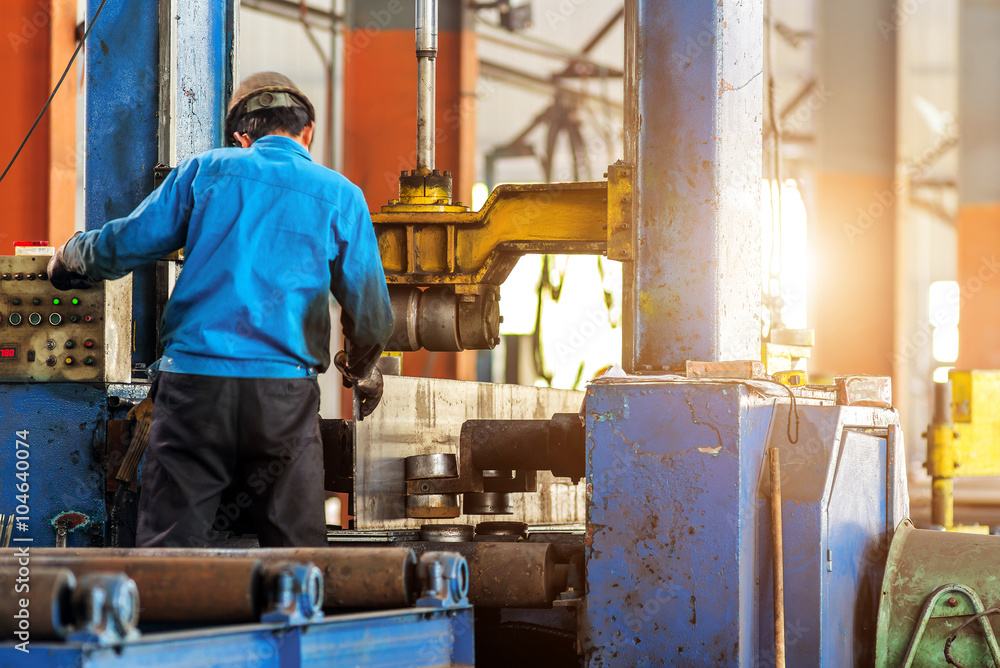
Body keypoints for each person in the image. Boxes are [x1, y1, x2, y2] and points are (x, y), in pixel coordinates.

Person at [47, 72, 394, 548]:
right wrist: (356, 367)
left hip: (194, 391)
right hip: (283, 399)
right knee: (296, 557)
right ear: (307, 132)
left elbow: (126, 242)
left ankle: (171, 619)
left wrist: (70, 257)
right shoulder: (342, 196)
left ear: (241, 135)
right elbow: (374, 319)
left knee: (170, 551)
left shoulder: (205, 171)